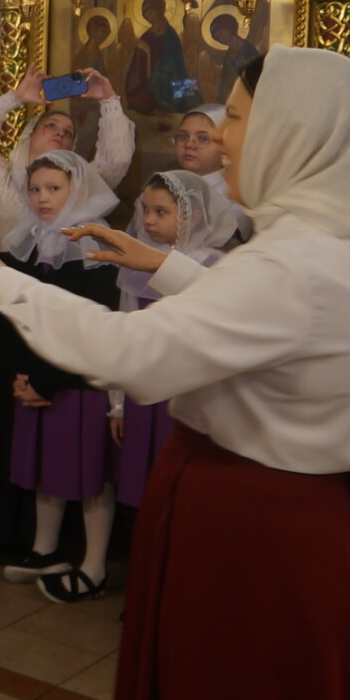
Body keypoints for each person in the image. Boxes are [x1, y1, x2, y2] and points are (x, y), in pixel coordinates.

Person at [0, 45, 350, 700]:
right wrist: (164, 265)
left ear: (293, 136)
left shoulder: (290, 263)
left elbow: (128, 352)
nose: (222, 140)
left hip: (256, 534)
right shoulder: (345, 242)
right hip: (316, 518)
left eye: (238, 120)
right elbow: (268, 321)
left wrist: (4, 281)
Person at [0, 150, 123, 603]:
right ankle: (44, 549)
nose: (42, 198)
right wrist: (22, 375)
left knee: (90, 473)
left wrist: (45, 382)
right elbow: (21, 313)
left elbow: (88, 324)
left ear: (78, 190)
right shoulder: (31, 239)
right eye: (35, 189)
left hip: (77, 379)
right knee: (47, 465)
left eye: (53, 188)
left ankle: (94, 565)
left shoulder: (95, 247)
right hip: (37, 375)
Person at [107, 171, 229, 511]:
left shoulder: (215, 266)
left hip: (188, 391)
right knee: (145, 486)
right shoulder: (135, 264)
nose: (148, 220)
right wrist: (118, 404)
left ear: (194, 216)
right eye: (145, 209)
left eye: (161, 212)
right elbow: (126, 333)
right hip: (144, 389)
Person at [0, 67, 134, 253]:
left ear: (70, 148)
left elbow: (117, 161)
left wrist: (108, 100)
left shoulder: (78, 185)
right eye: (51, 126)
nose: (60, 133)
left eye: (68, 133)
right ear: (30, 135)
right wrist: (16, 97)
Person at [173, 105, 247, 246]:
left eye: (202, 138)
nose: (189, 144)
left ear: (225, 144)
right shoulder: (164, 184)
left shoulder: (233, 198)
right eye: (183, 136)